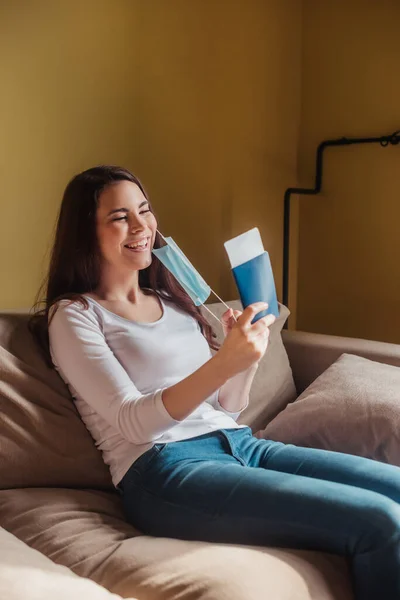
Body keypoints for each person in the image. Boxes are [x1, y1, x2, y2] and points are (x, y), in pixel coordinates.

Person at [30, 165, 400, 600]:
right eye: (120, 217)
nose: (141, 226)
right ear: (85, 232)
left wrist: (245, 358)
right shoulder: (75, 315)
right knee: (380, 521)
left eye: (145, 211)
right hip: (167, 470)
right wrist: (224, 363)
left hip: (241, 444)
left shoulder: (173, 300)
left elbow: (226, 408)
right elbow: (133, 423)